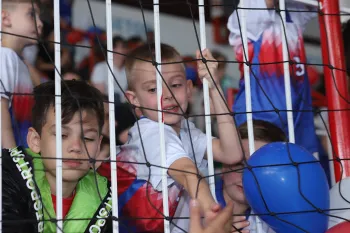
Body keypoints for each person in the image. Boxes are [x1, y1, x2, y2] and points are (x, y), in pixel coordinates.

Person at [98, 43, 243, 233]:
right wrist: (212, 212)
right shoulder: (149, 132)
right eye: (152, 90)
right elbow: (187, 172)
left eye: (175, 85)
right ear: (134, 99)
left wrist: (214, 86)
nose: (167, 96)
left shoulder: (185, 131)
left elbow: (231, 153)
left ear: (189, 88)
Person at [2, 80, 112, 232]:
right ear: (35, 140)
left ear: (98, 146)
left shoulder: (106, 199)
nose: (76, 147)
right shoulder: (8, 181)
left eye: (88, 138)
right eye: (62, 135)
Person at [227, 0, 319, 155]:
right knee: (258, 171)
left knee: (302, 170)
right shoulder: (247, 9)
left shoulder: (290, 11)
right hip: (260, 116)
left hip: (298, 112)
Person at [216, 120, 287, 233]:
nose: (246, 178)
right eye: (240, 164)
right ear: (224, 165)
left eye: (261, 168)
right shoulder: (188, 202)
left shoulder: (276, 220)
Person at [91, 35, 128, 104]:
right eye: (121, 47)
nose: (124, 50)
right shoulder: (100, 68)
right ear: (112, 49)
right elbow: (99, 93)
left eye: (125, 47)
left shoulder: (127, 69)